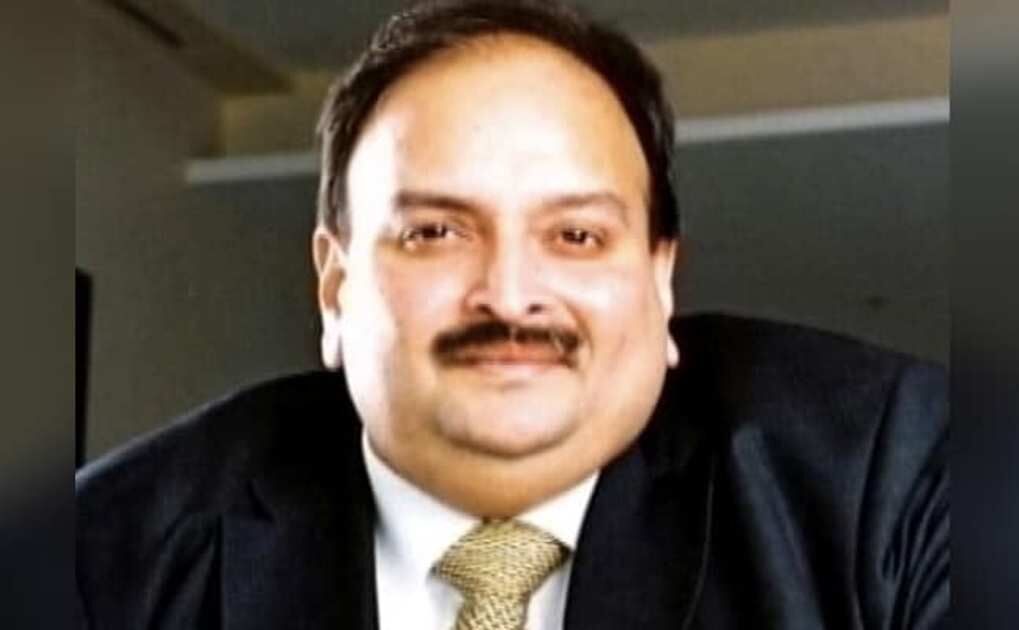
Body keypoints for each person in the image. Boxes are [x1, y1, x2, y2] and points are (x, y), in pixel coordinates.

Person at [75, 1, 949, 628]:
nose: (509, 293)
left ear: (660, 283)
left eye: (575, 235)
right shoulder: (96, 556)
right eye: (435, 232)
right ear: (334, 287)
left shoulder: (897, 481)